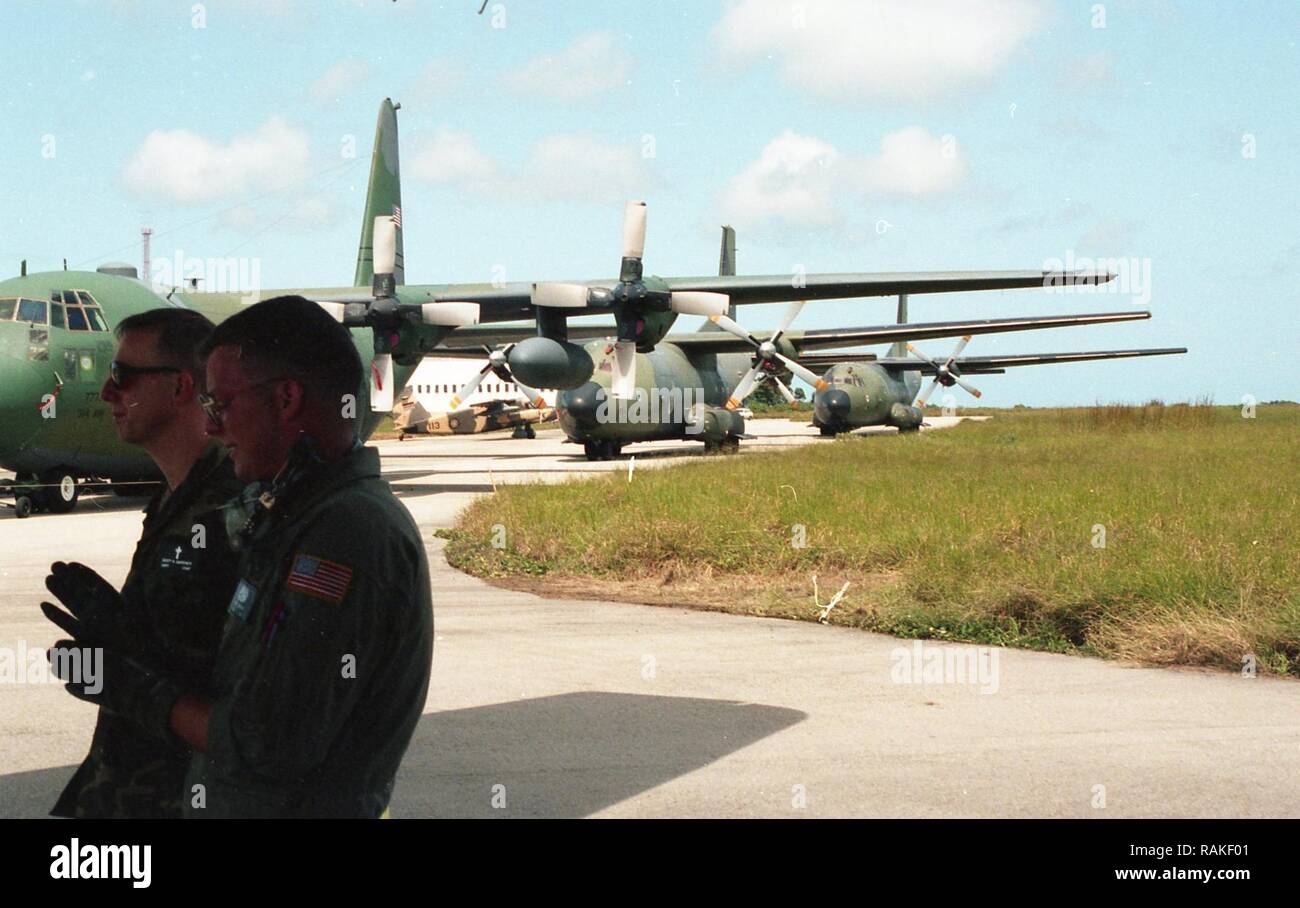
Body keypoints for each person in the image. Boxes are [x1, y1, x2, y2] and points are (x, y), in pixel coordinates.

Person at [54, 294, 433, 817]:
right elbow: (242, 681)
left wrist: (137, 690)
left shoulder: (345, 535)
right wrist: (132, 640)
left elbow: (268, 741)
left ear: (286, 400)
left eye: (221, 405)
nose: (211, 427)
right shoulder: (294, 517)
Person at [42, 307, 243, 818]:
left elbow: (246, 697)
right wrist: (124, 637)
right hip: (132, 788)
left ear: (179, 387)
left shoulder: (236, 507)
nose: (109, 393)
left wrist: (127, 676)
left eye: (122, 376)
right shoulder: (173, 499)